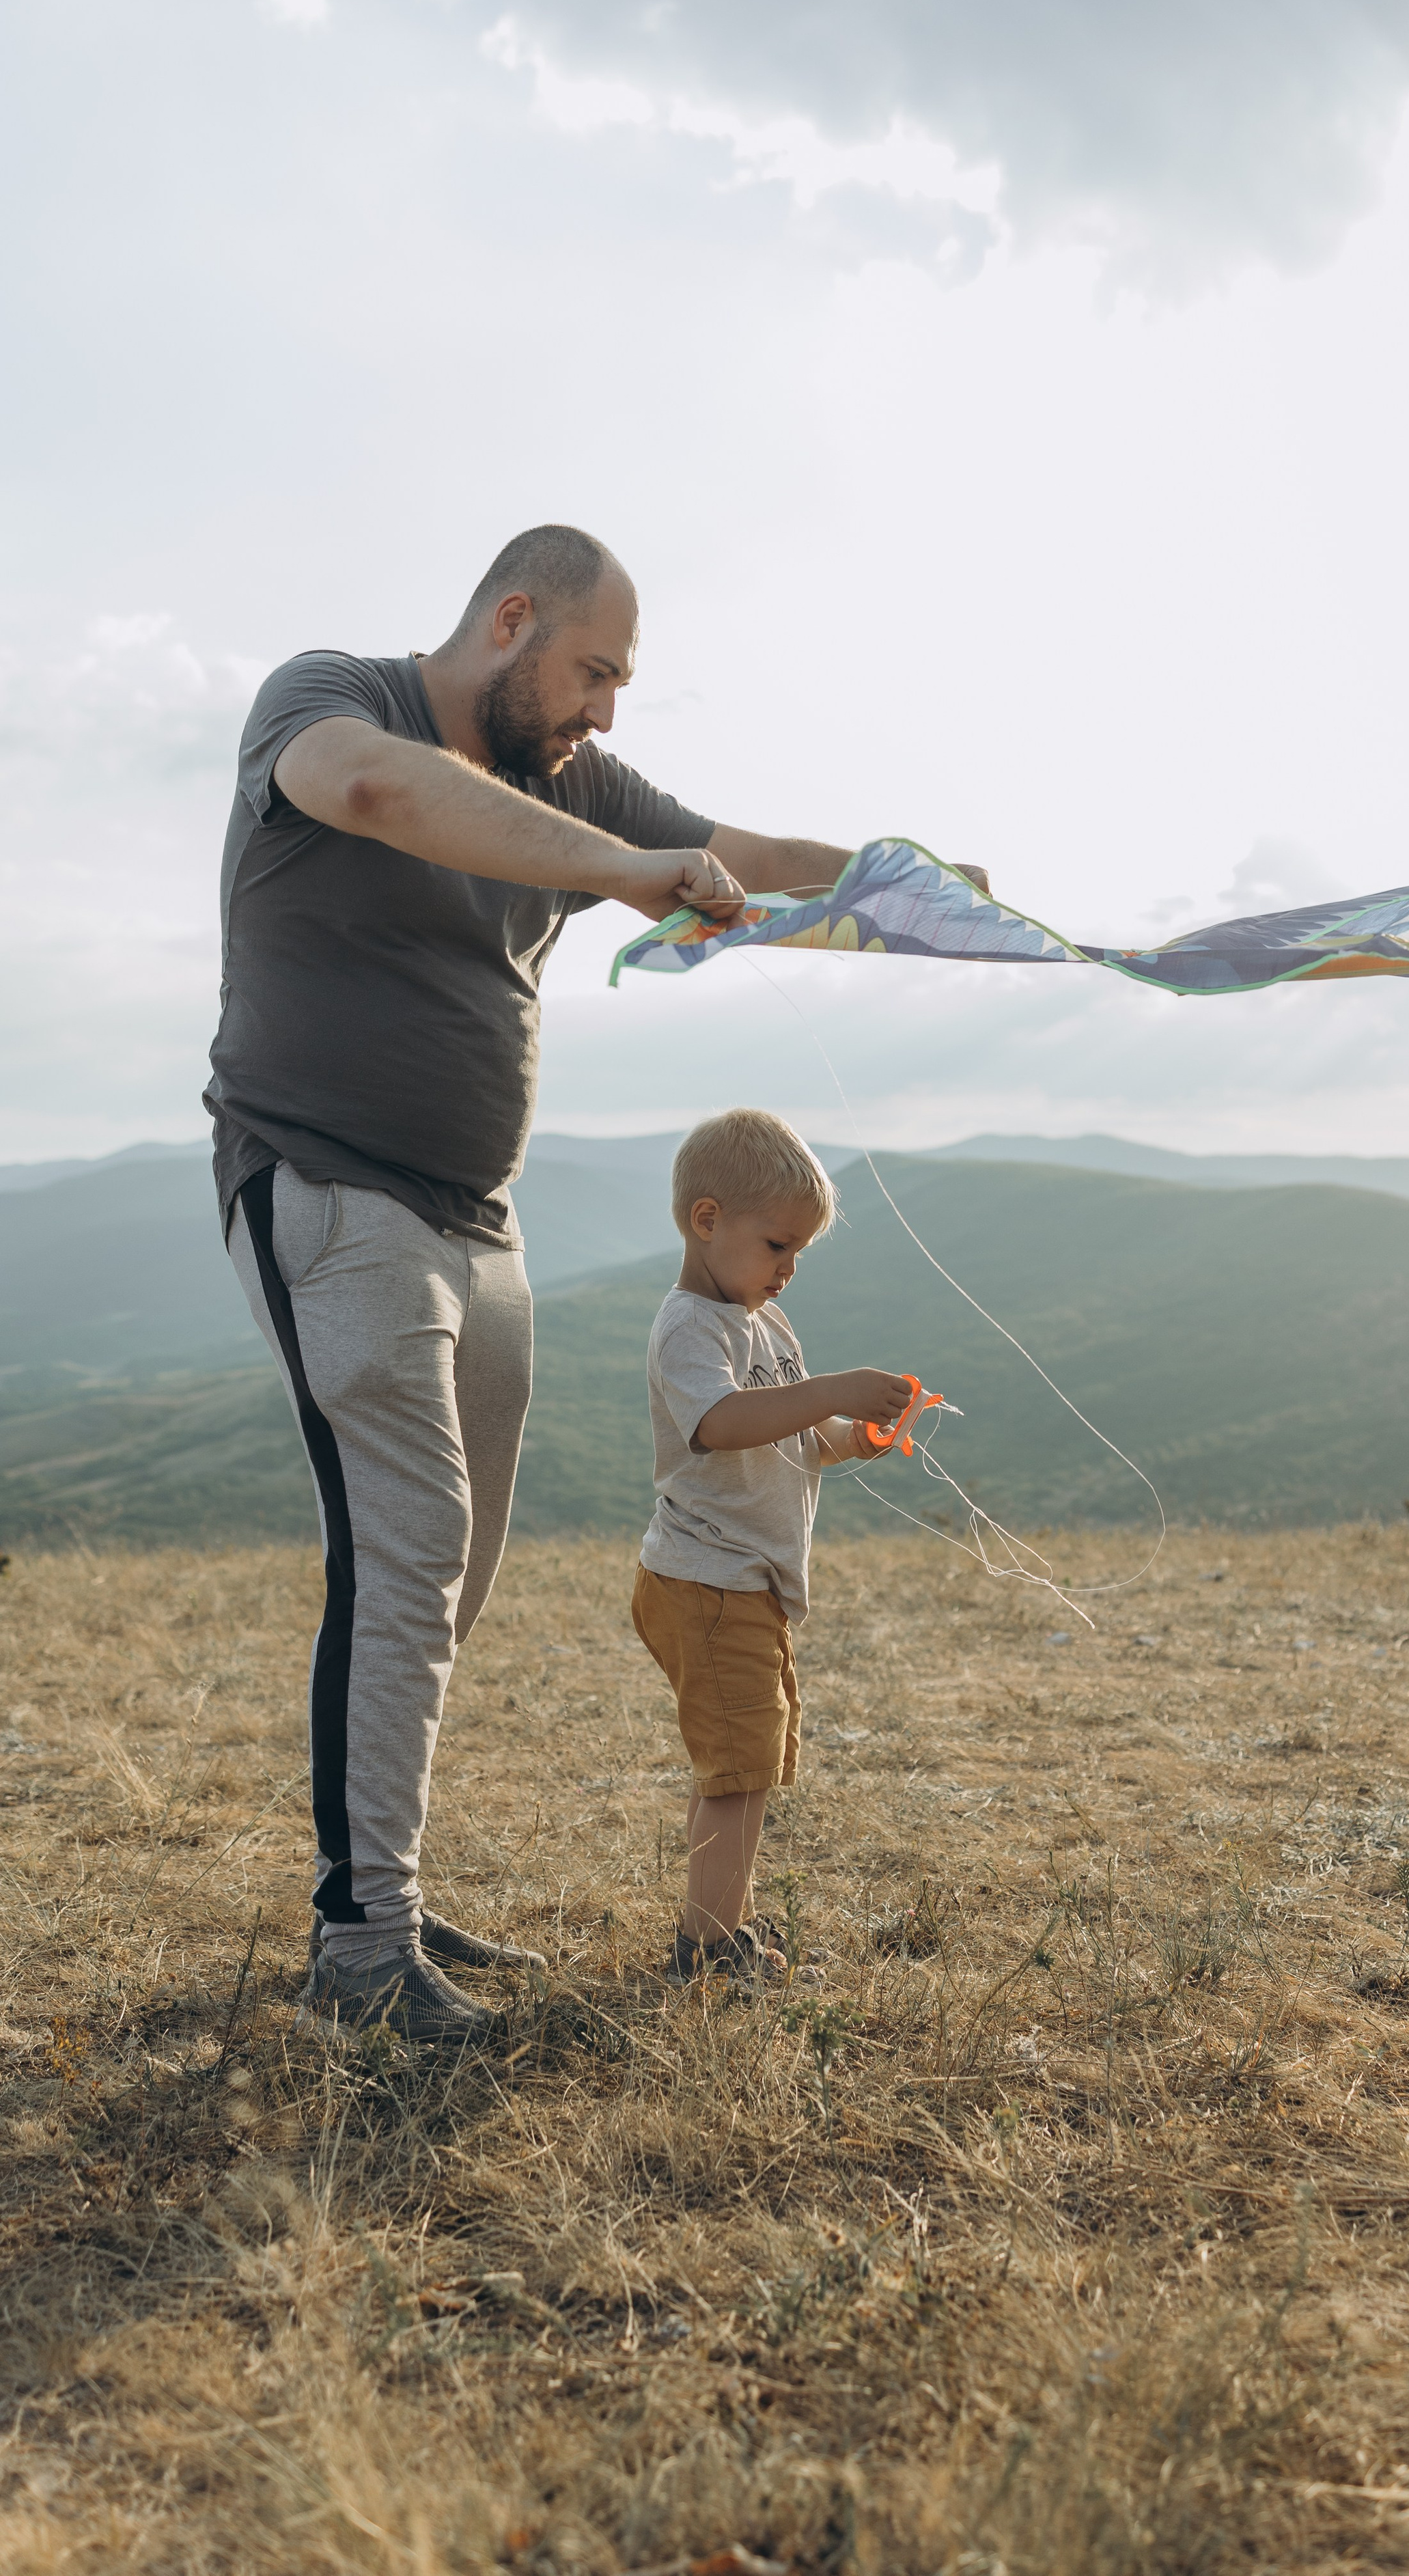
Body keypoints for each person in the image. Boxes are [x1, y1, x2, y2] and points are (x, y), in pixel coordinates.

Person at [206, 523, 980, 2049]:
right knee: (409, 1551)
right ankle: (360, 1950)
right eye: (594, 672)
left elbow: (748, 856)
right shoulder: (328, 697)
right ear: (512, 620)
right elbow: (374, 791)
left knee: (452, 1574)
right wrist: (625, 872)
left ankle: (380, 1890)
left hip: (475, 1224)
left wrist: (916, 892)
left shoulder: (572, 778)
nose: (606, 711)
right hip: (325, 1189)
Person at [631, 1109, 912, 1985]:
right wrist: (831, 1388)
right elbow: (719, 1422)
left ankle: (721, 1926)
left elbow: (799, 1433)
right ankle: (710, 1952)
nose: (787, 1270)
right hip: (705, 1583)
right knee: (739, 1772)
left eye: (799, 1253)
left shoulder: (766, 1323)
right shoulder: (690, 1326)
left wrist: (856, 1435)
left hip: (743, 1585)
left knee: (741, 1767)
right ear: (706, 1220)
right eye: (777, 1245)